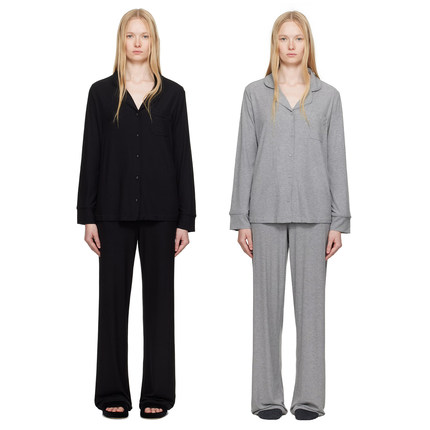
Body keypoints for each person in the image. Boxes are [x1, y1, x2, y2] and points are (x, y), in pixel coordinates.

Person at [229, 10, 351, 421]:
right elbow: (245, 158)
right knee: (266, 311)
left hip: (316, 216)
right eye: (284, 38)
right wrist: (241, 218)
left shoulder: (328, 97)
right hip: (264, 214)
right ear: (275, 44)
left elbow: (337, 160)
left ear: (308, 43)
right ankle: (267, 399)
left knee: (311, 313)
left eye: (298, 38)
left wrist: (339, 221)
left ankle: (308, 400)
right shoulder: (254, 94)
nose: (291, 45)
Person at [76, 8, 196, 419]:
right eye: (131, 35)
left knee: (160, 306)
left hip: (163, 215)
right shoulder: (100, 94)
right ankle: (113, 391)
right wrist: (88, 216)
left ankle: (157, 395)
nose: (138, 42)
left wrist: (185, 219)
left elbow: (183, 158)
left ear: (153, 42)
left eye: (144, 35)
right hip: (111, 213)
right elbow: (91, 155)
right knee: (112, 306)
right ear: (122, 41)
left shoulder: (173, 95)